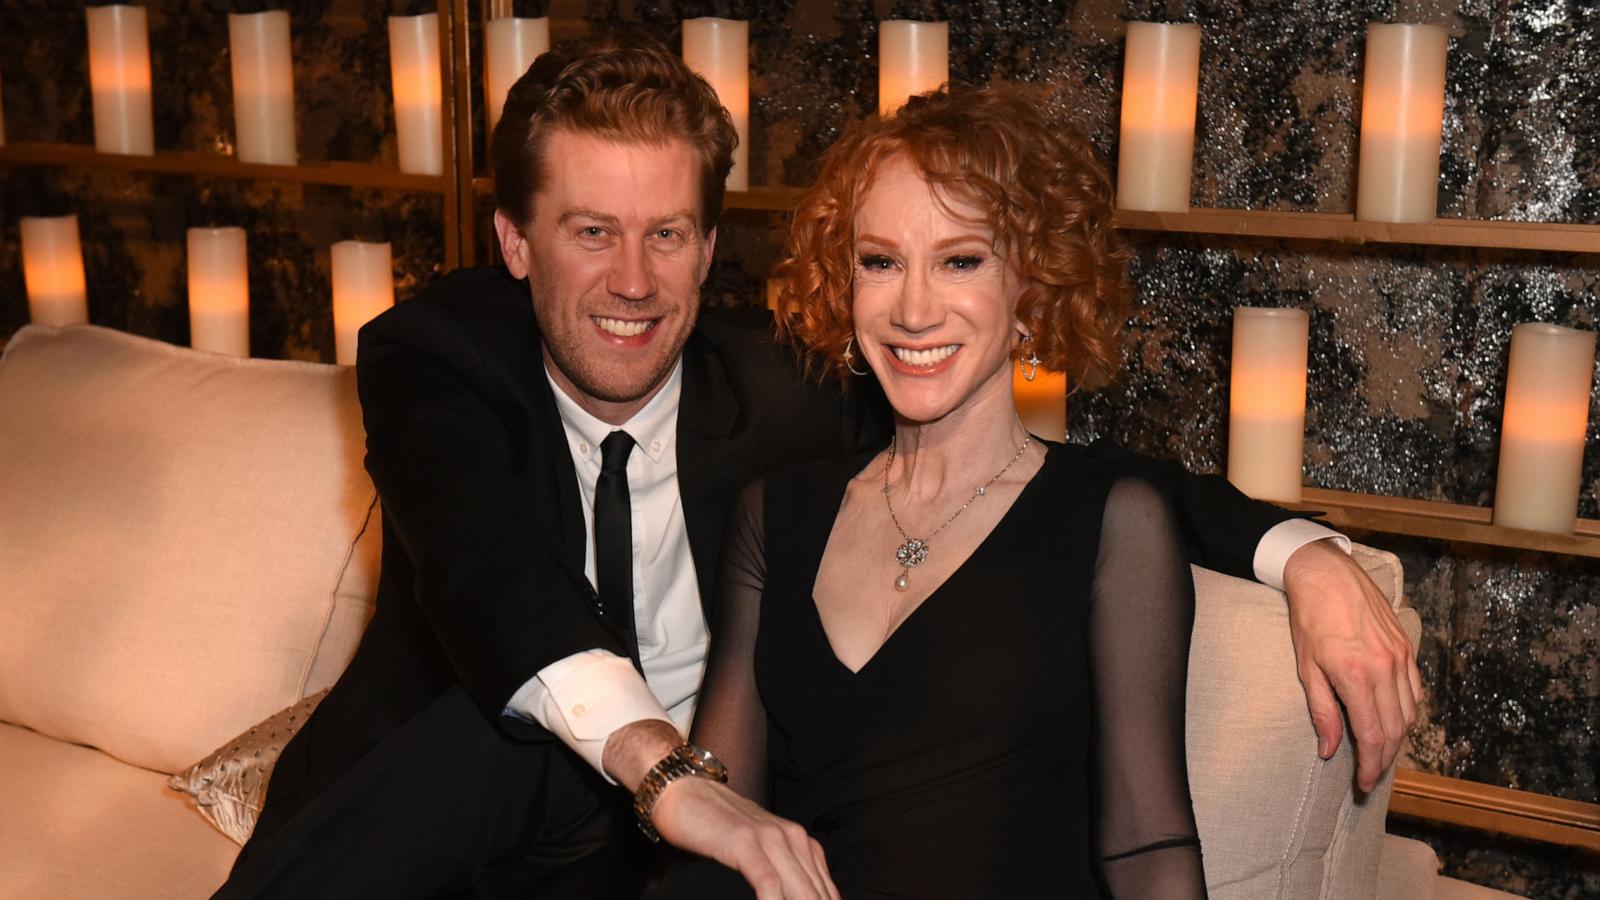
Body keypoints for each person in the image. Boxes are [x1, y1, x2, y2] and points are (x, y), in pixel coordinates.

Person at [216, 38, 1418, 900]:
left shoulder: (787, 394)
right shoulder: (432, 359)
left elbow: (1064, 481)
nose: (633, 281)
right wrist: (669, 777)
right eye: (590, 232)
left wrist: (1301, 549)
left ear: (705, 247)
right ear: (516, 243)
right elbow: (492, 586)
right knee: (519, 727)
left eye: (667, 234)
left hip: (663, 855)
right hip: (469, 820)